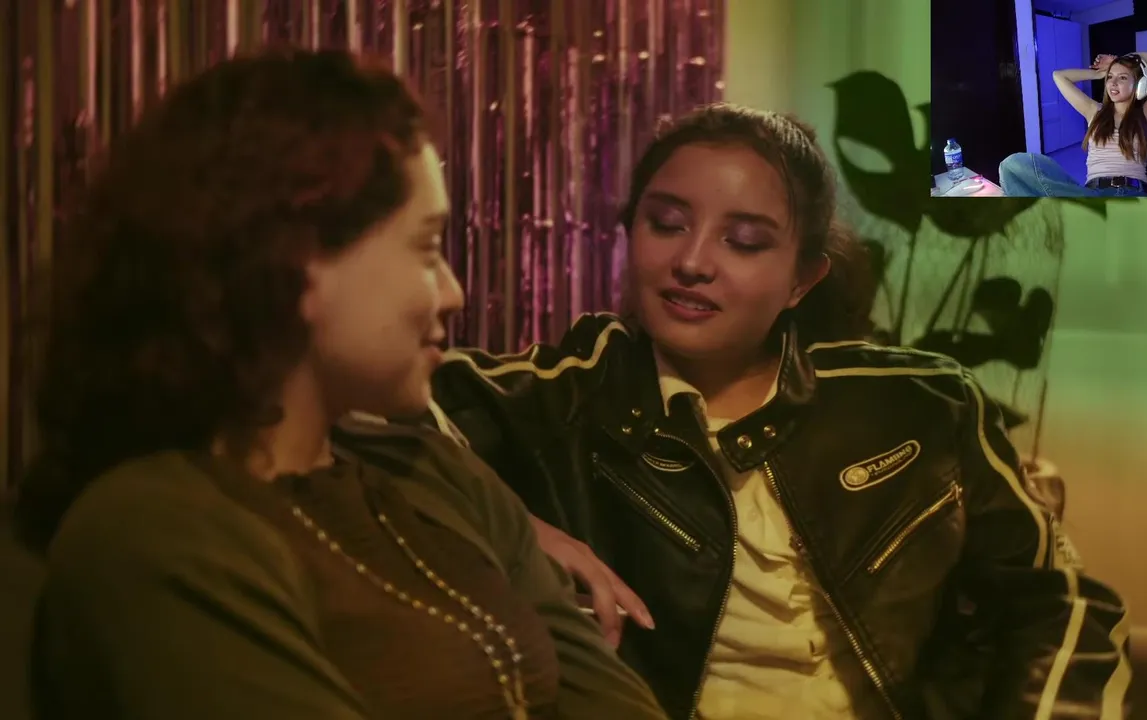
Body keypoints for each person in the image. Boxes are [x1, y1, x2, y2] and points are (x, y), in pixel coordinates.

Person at [12, 47, 665, 720]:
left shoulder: (436, 472)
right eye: (427, 248)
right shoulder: (157, 529)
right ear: (294, 260)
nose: (453, 292)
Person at [426, 104, 1132, 719]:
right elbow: (377, 415)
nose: (692, 261)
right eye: (665, 223)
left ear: (802, 279)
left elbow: (1062, 604)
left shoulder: (922, 403)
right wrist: (520, 528)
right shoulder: (568, 396)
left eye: (744, 241)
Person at [1000, 52, 1147, 197]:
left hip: (1131, 194)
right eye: (1110, 77)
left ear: (1140, 84)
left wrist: (1119, 59)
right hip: (1091, 194)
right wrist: (1099, 74)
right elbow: (1059, 76)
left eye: (1122, 77)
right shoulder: (1094, 111)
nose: (1113, 83)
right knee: (1013, 164)